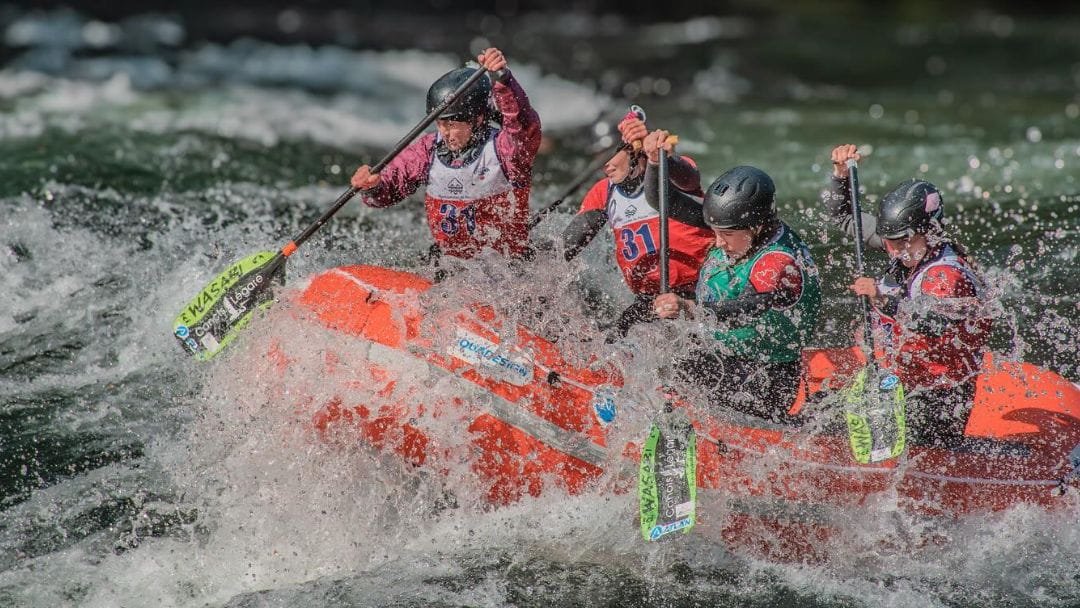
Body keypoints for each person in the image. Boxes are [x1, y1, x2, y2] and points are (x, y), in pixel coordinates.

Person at [643, 132, 821, 422]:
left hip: (766, 377)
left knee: (678, 375)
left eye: (725, 235)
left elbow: (748, 307)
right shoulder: (735, 224)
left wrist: (689, 308)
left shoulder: (778, 262)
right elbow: (663, 201)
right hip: (724, 357)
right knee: (656, 356)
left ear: (758, 225)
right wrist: (653, 162)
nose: (718, 242)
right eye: (715, 232)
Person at [824, 144, 991, 445]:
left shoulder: (946, 275)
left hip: (939, 396)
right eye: (888, 241)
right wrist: (840, 176)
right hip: (901, 380)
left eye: (902, 242)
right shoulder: (903, 245)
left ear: (929, 232)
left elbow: (934, 322)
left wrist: (881, 298)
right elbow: (846, 219)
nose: (894, 250)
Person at [350, 47, 541, 261]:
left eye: (451, 124)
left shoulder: (505, 151)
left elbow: (523, 126)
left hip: (507, 267)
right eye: (440, 124)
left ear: (477, 119)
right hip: (450, 266)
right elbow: (388, 189)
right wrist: (373, 187)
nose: (444, 133)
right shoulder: (427, 149)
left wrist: (503, 80)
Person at [561, 113, 714, 341]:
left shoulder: (669, 172)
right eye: (598, 156)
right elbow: (566, 246)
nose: (605, 165)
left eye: (609, 155)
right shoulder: (604, 191)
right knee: (613, 344)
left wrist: (661, 157)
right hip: (648, 301)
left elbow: (687, 175)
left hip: (697, 296)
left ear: (635, 150)